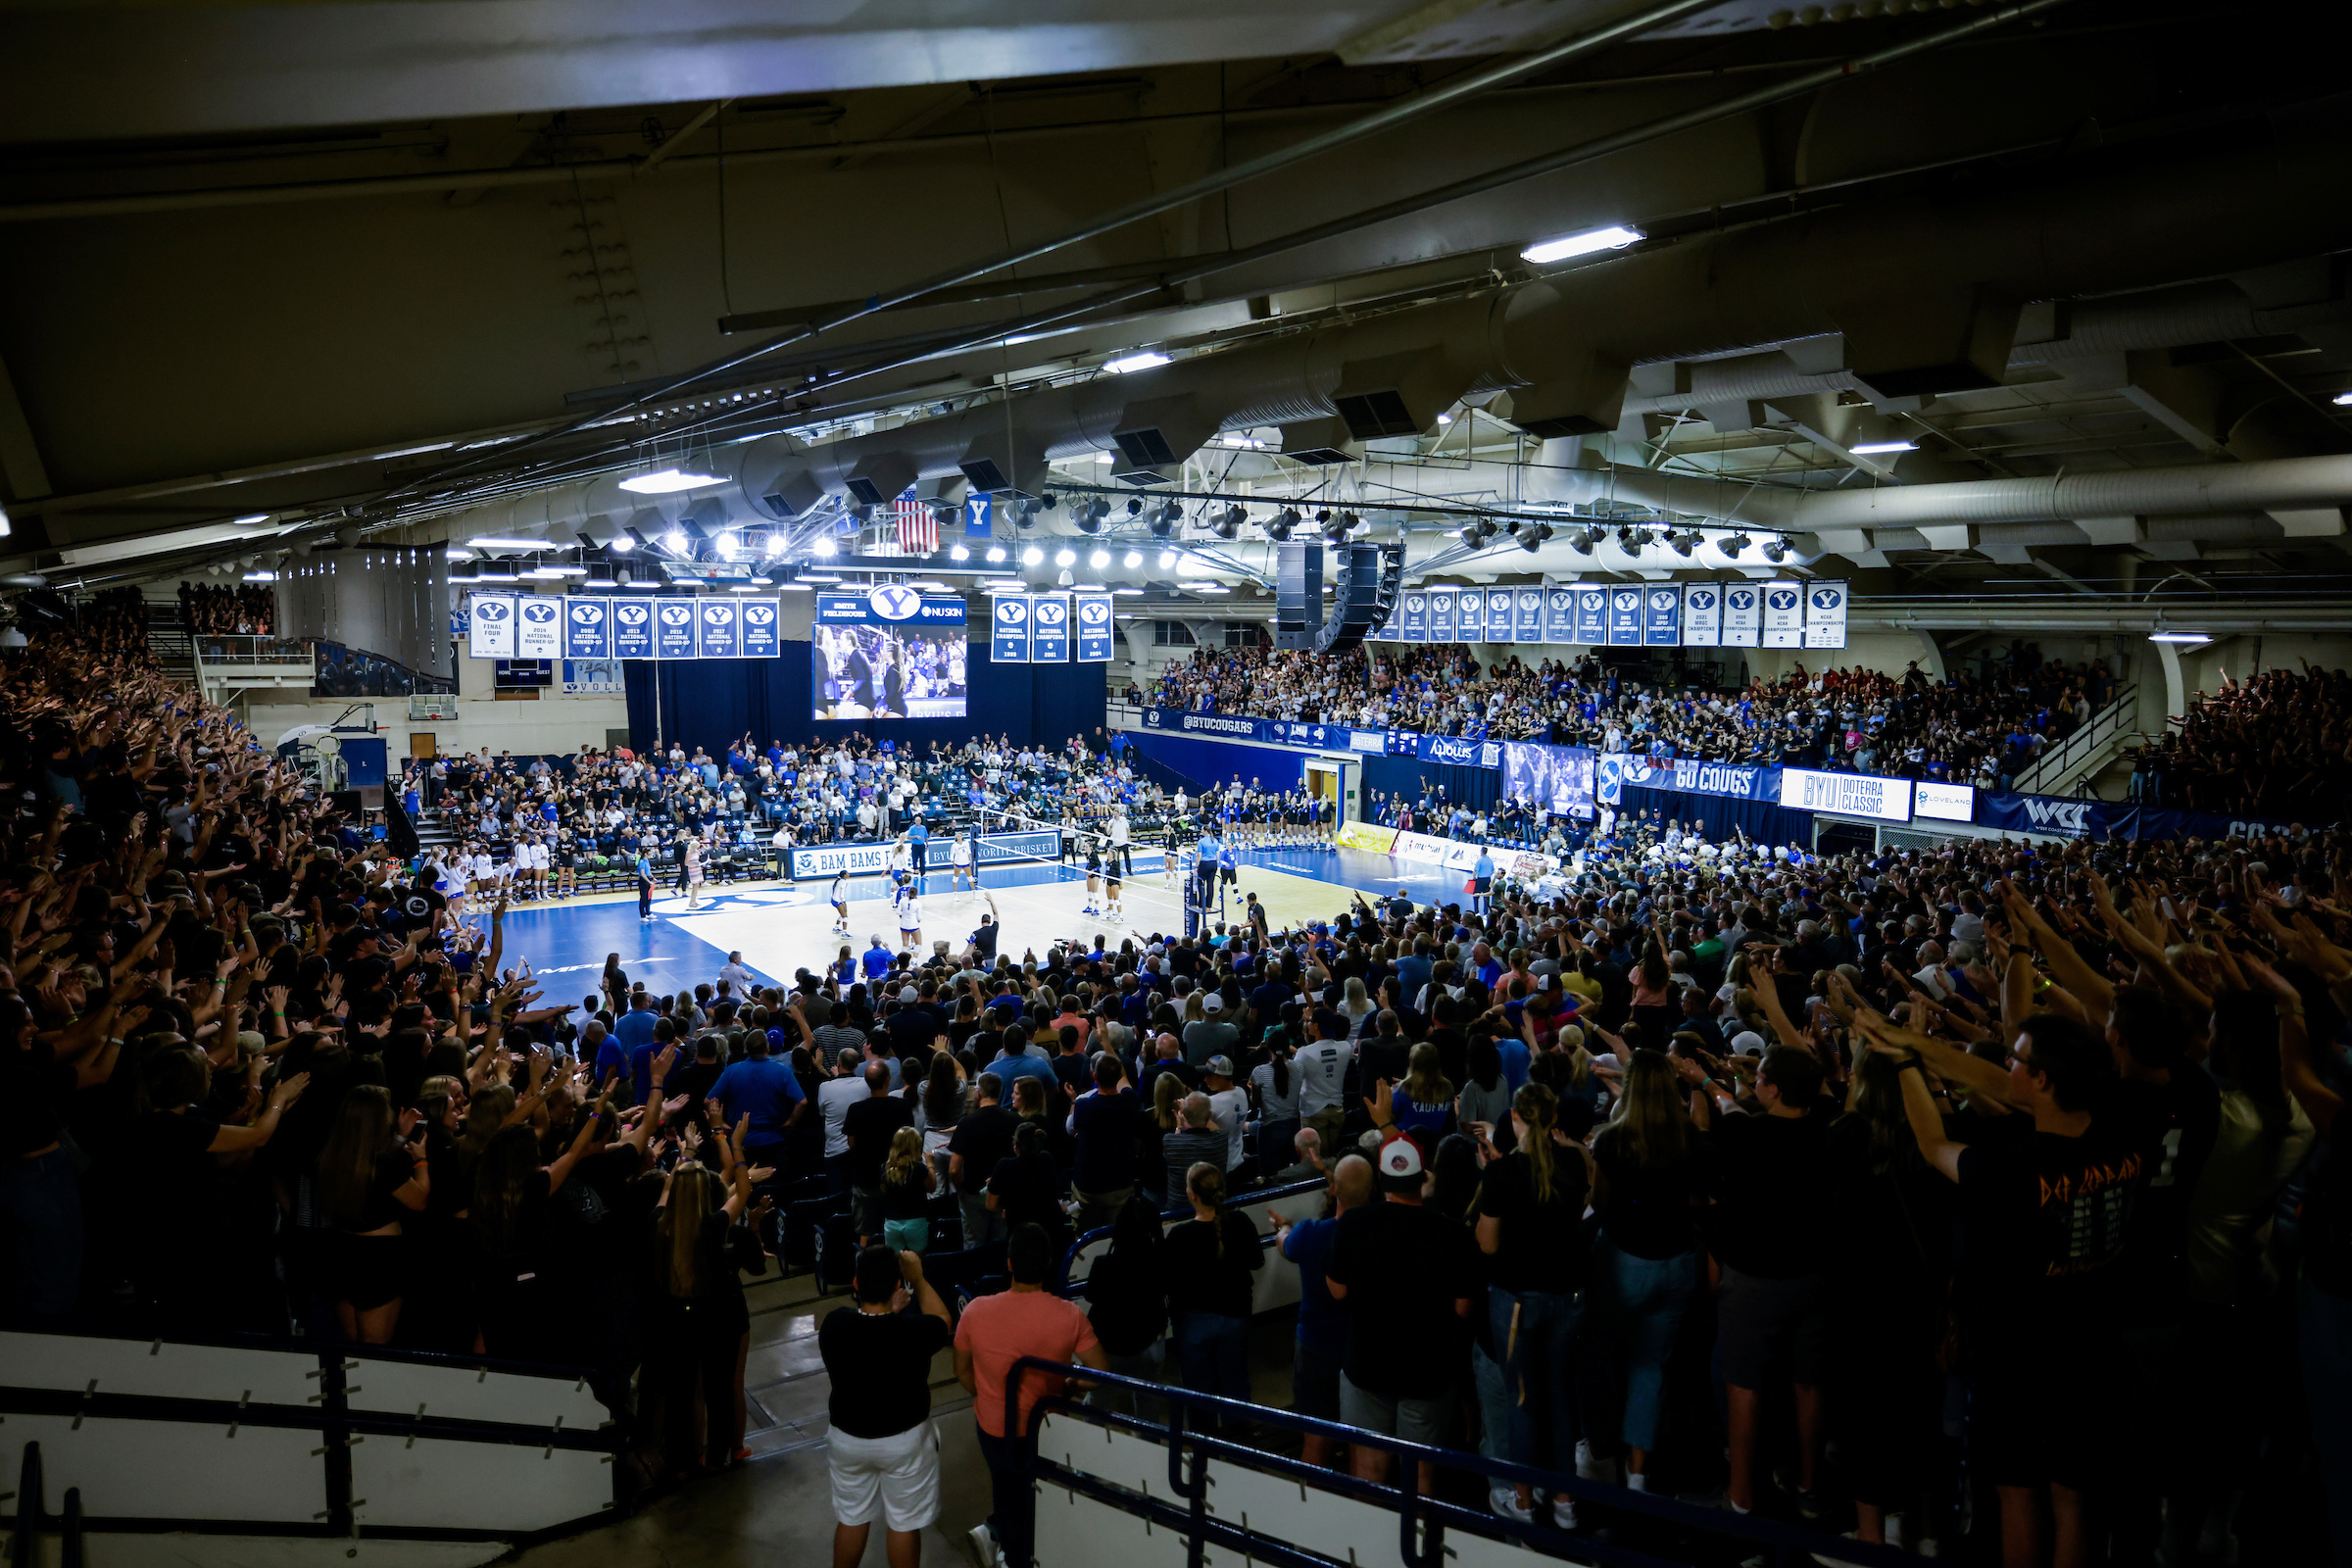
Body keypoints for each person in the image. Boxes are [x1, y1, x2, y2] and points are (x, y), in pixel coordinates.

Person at [1321, 1109, 1477, 1494]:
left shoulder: (1354, 1225)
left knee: (1370, 1469)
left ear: (1381, 1181)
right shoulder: (1452, 1233)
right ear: (1423, 1178)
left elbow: (1337, 1290)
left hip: (1368, 1365)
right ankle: (1418, 1546)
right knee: (1420, 1473)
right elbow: (1463, 1308)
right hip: (1427, 1371)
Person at [1581, 1050, 1710, 1490]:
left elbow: (1599, 1203)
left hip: (1624, 1263)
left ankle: (1600, 1454)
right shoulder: (1690, 1138)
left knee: (1600, 1358)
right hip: (1677, 1264)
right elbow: (1698, 1197)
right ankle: (1638, 1470)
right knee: (1650, 1367)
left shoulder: (1614, 1140)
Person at [955, 1224, 1108, 1568]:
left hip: (994, 1426)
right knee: (1035, 1487)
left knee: (1005, 1485)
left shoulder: (976, 1311)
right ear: (1050, 1263)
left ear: (1009, 1264)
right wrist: (1071, 1386)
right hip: (1045, 1428)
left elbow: (961, 1370)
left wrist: (986, 1395)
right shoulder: (1068, 1315)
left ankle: (1009, 1547)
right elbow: (1098, 1373)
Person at [1472, 1082, 1591, 1528]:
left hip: (1518, 1301)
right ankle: (1564, 1500)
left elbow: (1487, 1244)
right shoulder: (1573, 1162)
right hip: (1567, 1296)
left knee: (1523, 1400)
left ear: (1516, 1118)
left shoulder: (1502, 1174)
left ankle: (1523, 1502)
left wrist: (1492, 1182)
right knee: (1560, 1397)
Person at [821, 1248, 953, 1568]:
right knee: (903, 1524)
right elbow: (943, 1320)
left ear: (855, 1283)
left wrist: (886, 1307)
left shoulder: (834, 1325)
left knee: (852, 1519)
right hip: (903, 1443)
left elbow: (867, 1326)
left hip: (848, 1440)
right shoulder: (914, 1333)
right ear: (897, 1286)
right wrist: (918, 1278)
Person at [1273, 1152, 1367, 1472]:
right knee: (1363, 1443)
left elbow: (1285, 1244)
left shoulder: (1311, 1233)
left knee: (1316, 1439)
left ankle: (1314, 1509)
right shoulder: (1379, 1235)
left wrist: (1284, 1227)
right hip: (1362, 1348)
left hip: (1316, 1349)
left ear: (1334, 1191)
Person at [1162, 1161, 1263, 1416]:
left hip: (1194, 1322)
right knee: (1236, 1381)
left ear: (1192, 1195)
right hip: (1236, 1314)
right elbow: (1257, 1261)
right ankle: (1238, 1439)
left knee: (1198, 1391)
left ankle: (1203, 1445)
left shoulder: (1179, 1236)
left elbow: (1169, 1283)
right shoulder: (1240, 1221)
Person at [1082, 1198, 1167, 1417]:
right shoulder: (1160, 1260)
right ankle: (1148, 1446)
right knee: (1149, 1406)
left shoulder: (1104, 1264)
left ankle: (1092, 1448)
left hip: (1109, 1348)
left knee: (1098, 1405)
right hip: (1149, 1343)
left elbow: (1091, 1295)